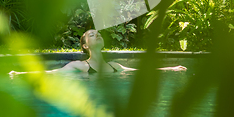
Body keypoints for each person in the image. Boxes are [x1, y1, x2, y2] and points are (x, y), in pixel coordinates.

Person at [9, 29, 186, 75]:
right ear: (85, 46)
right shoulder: (79, 66)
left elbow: (140, 73)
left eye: (99, 34)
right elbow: (51, 73)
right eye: (92, 35)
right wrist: (20, 73)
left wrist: (172, 68)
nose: (97, 35)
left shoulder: (114, 66)